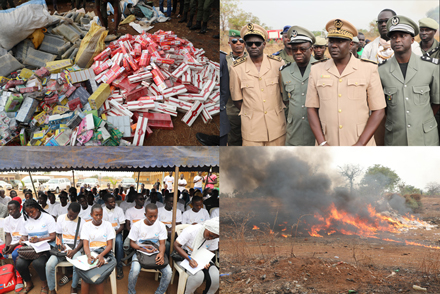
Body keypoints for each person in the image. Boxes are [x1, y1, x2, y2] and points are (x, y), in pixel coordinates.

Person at [305, 18, 386, 146]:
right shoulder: (316, 70)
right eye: (331, 41)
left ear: (351, 45)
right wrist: (321, 142)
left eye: (340, 41)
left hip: (361, 142)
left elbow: (379, 110)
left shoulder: (369, 69)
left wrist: (360, 143)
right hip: (328, 143)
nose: (334, 45)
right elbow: (311, 108)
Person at [378, 15, 440, 146]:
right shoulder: (380, 71)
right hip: (395, 137)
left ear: (412, 40)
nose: (397, 40)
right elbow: (381, 108)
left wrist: (422, 119)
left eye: (402, 36)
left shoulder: (431, 67)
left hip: (425, 137)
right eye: (393, 37)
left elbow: (436, 102)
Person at [229, 23, 286, 146]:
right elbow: (237, 100)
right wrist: (254, 112)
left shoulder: (278, 64)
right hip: (252, 130)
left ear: (264, 44)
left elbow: (284, 94)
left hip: (277, 126)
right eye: (249, 44)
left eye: (257, 43)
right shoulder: (236, 68)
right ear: (245, 45)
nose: (253, 46)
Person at [280, 25, 317, 146]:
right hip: (294, 131)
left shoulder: (322, 68)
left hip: (317, 130)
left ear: (311, 50)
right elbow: (286, 101)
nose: (298, 52)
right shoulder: (284, 71)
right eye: (294, 49)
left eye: (302, 49)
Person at [127, 203, 172, 294]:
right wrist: (143, 249)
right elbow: (132, 243)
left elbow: (162, 244)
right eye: (150, 216)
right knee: (135, 270)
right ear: (145, 215)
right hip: (140, 252)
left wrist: (161, 254)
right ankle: (131, 291)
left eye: (155, 216)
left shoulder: (161, 225)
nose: (153, 219)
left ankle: (159, 292)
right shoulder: (137, 226)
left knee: (168, 272)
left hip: (156, 252)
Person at [17, 199, 56, 294]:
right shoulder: (25, 220)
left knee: (38, 263)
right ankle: (29, 283)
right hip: (32, 248)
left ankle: (44, 285)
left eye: (32, 211)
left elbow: (53, 236)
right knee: (20, 264)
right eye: (27, 213)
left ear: (37, 208)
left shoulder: (47, 218)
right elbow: (24, 236)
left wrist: (39, 240)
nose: (30, 214)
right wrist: (22, 239)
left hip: (46, 246)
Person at [173, 217, 219, 294]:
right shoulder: (191, 231)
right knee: (198, 276)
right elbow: (176, 245)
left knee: (216, 277)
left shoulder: (214, 237)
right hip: (185, 256)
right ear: (206, 228)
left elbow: (210, 252)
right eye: (210, 235)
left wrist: (206, 262)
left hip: (202, 258)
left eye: (215, 237)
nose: (211, 238)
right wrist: (190, 259)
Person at [46, 202, 84, 294]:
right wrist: (60, 244)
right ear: (67, 210)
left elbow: (83, 240)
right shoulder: (61, 218)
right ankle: (52, 289)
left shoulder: (82, 222)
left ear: (78, 213)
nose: (71, 217)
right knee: (49, 265)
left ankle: (74, 287)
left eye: (74, 216)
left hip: (75, 249)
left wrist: (74, 251)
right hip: (62, 248)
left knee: (77, 265)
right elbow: (58, 234)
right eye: (70, 215)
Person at [78, 204, 116, 294]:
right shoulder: (86, 226)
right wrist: (89, 256)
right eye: (96, 215)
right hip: (91, 253)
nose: (99, 217)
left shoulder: (108, 225)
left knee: (98, 277)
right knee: (85, 278)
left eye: (100, 215)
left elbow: (110, 245)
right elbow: (86, 245)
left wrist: (101, 255)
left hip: (105, 253)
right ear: (91, 214)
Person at [0, 200, 24, 292]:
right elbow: (8, 235)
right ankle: (3, 275)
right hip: (12, 243)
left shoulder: (24, 219)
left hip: (22, 243)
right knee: (2, 250)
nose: (10, 212)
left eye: (12, 209)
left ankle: (19, 277)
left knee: (14, 254)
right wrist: (7, 246)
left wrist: (13, 246)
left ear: (18, 208)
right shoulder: (7, 219)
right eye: (8, 210)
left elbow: (25, 237)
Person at [102, 194, 125, 280]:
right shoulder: (102, 210)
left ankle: (119, 266)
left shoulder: (119, 210)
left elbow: (122, 225)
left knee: (119, 243)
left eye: (114, 201)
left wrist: (114, 233)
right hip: (105, 234)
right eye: (111, 202)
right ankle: (105, 265)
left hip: (116, 232)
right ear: (106, 203)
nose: (113, 203)